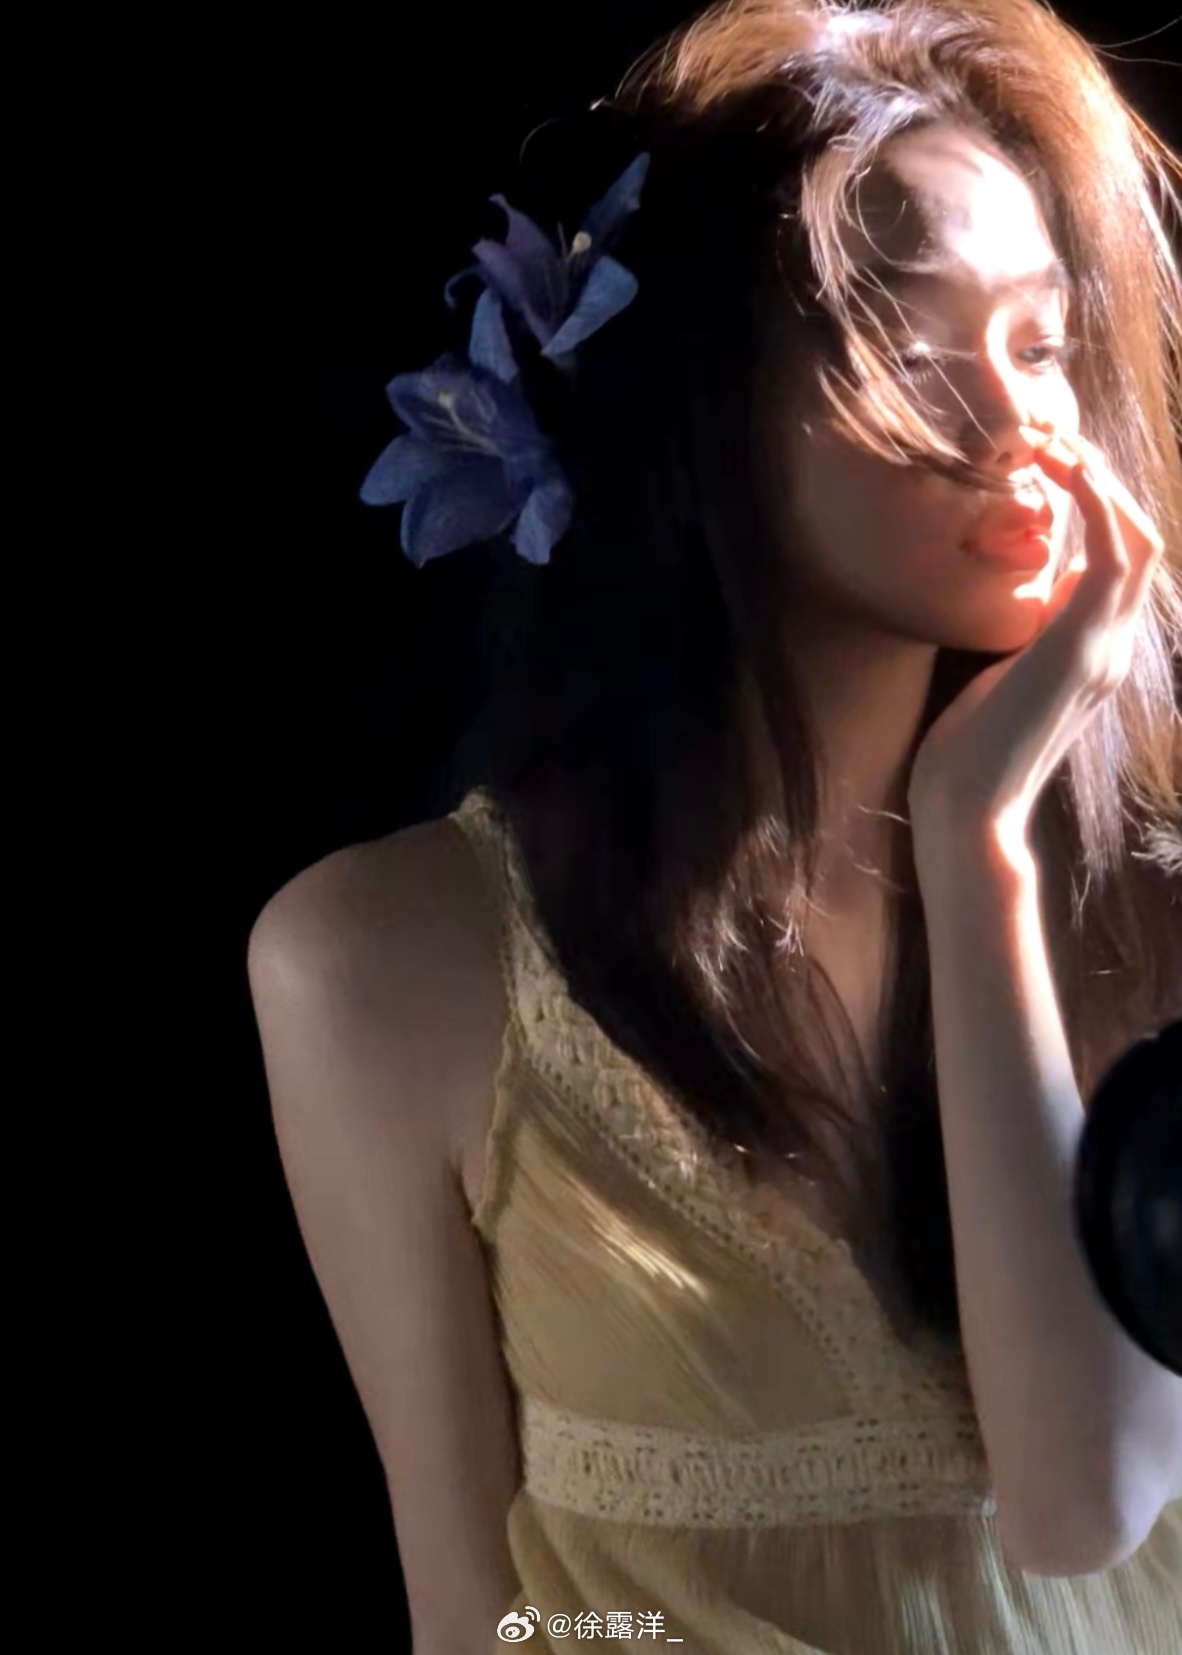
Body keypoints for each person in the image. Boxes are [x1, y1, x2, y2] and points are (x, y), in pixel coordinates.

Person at [247, 2, 1182, 1650]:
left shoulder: (1147, 909)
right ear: (695, 405)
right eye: (914, 349)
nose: (1017, 420)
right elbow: (470, 1616)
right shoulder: (382, 963)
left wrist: (974, 836)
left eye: (1039, 342)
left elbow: (1078, 1501)